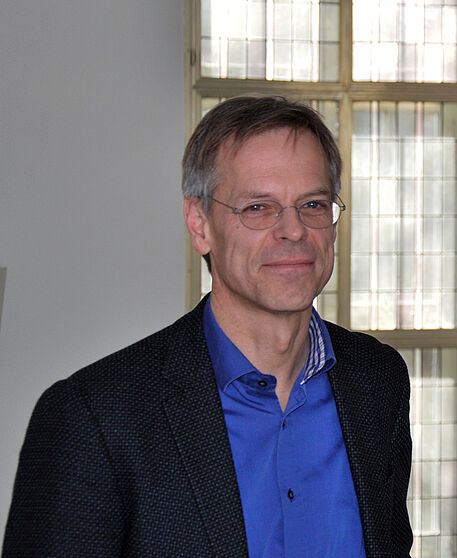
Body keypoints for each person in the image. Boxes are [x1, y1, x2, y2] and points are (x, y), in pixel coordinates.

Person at [3, 96, 413, 557]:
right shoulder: (94, 418)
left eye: (313, 204)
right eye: (258, 208)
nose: (294, 230)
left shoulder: (378, 381)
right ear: (200, 225)